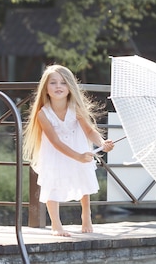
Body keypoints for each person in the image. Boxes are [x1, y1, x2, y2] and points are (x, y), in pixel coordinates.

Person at [23, 65, 114, 236]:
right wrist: (77, 156)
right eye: (53, 83)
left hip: (78, 145)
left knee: (83, 178)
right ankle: (56, 224)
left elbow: (89, 131)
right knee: (52, 182)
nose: (58, 86)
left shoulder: (75, 108)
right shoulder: (43, 114)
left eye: (63, 83)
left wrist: (102, 142)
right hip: (54, 152)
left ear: (70, 87)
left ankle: (86, 214)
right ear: (46, 87)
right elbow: (55, 141)